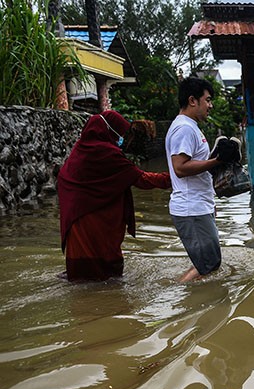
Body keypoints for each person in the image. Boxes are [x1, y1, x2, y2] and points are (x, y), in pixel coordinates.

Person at [58, 110, 171, 282]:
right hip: (91, 219)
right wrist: (175, 177)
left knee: (83, 275)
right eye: (120, 133)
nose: (122, 138)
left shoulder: (81, 148)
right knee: (103, 274)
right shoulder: (105, 152)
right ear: (109, 131)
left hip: (77, 216)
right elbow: (140, 179)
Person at [166, 77, 240, 283]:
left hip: (198, 206)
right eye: (207, 100)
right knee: (208, 264)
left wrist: (219, 161)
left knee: (209, 263)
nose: (210, 105)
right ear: (192, 100)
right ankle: (176, 298)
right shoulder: (184, 128)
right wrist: (217, 161)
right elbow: (180, 167)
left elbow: (195, 166)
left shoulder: (189, 127)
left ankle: (193, 300)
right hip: (191, 209)